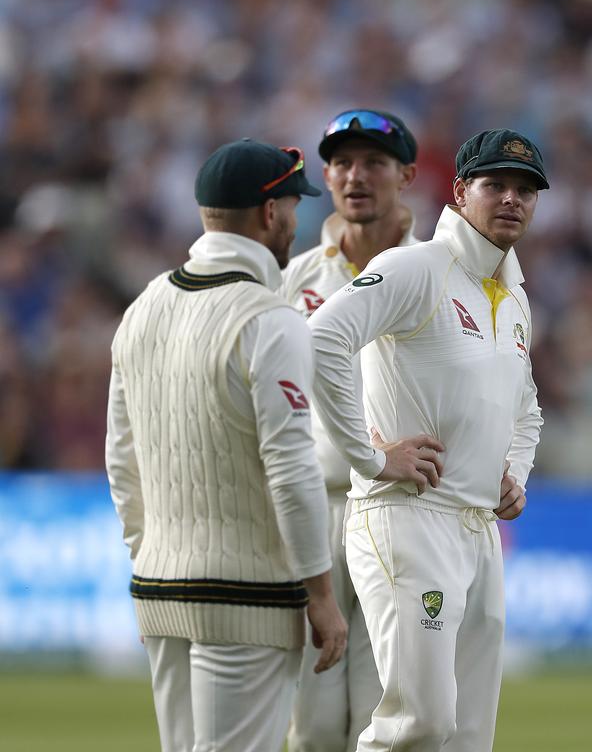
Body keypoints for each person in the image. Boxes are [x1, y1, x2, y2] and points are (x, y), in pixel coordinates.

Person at [105, 138, 348, 752]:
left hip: (161, 587)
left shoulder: (142, 307)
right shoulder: (271, 319)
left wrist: (147, 558)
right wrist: (320, 594)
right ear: (270, 213)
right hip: (250, 598)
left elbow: (120, 460)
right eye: (293, 207)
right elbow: (292, 469)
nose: (297, 223)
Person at [308, 128, 546, 751]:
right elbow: (320, 340)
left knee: (467, 735)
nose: (512, 200)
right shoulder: (417, 268)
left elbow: (527, 409)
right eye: (495, 185)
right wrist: (368, 455)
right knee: (419, 724)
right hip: (408, 518)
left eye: (525, 189)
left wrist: (513, 470)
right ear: (462, 190)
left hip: (477, 529)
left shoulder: (514, 297)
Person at [280, 109, 419, 752]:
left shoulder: (440, 274)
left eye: (373, 163)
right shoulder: (295, 281)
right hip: (315, 509)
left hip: (405, 513)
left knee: (385, 722)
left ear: (407, 175)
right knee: (310, 728)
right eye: (340, 163)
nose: (354, 176)